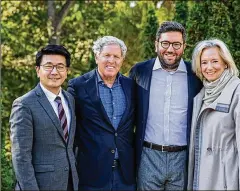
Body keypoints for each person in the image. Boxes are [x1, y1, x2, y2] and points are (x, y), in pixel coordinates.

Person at [129, 21, 202, 190]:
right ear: (156, 45)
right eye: (165, 43)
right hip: (148, 156)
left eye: (176, 44)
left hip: (182, 158)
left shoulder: (196, 75)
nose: (170, 49)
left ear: (184, 46)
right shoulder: (140, 72)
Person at [187, 39, 240, 190]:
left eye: (215, 61)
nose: (209, 67)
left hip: (227, 181)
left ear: (226, 63)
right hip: (203, 179)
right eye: (204, 62)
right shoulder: (202, 94)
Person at [68, 36, 136, 191]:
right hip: (92, 175)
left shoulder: (132, 86)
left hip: (125, 175)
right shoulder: (78, 86)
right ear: (97, 56)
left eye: (116, 57)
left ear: (122, 60)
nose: (111, 60)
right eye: (107, 55)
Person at [10, 45, 78, 190]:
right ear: (37, 70)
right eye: (48, 66)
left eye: (60, 66)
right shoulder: (24, 104)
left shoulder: (70, 99)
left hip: (71, 183)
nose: (54, 71)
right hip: (41, 185)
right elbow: (21, 157)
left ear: (67, 71)